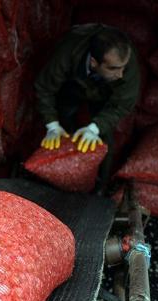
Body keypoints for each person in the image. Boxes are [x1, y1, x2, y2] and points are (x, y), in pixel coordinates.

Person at [34, 24, 140, 192]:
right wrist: (52, 125)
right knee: (64, 124)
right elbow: (44, 88)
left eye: (123, 68)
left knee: (104, 138)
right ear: (93, 62)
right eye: (113, 68)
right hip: (73, 83)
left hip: (106, 90)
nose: (120, 73)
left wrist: (95, 128)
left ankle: (100, 188)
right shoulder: (67, 53)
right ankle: (60, 181)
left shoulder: (125, 62)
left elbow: (122, 104)